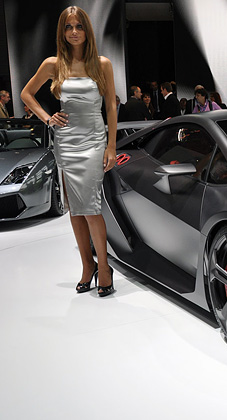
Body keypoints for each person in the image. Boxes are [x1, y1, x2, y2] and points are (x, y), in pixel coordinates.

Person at [21, 6, 116, 297]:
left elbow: (111, 105)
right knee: (76, 208)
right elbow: (26, 93)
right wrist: (48, 118)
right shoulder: (53, 64)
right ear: (62, 32)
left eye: (79, 26)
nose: (74, 32)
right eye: (68, 27)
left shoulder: (102, 64)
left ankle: (104, 268)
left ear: (87, 30)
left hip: (93, 141)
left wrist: (111, 145)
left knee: (91, 206)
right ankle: (87, 266)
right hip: (66, 141)